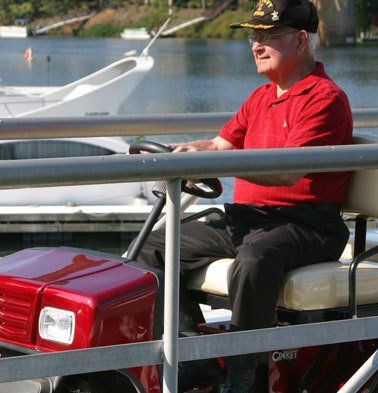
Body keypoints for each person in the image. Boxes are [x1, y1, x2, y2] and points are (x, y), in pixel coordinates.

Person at [136, 0, 353, 391]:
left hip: (307, 222)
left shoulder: (324, 99)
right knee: (152, 246)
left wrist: (217, 160)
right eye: (254, 36)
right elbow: (222, 145)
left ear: (301, 40)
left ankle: (243, 372)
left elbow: (287, 171)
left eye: (269, 36)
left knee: (254, 260)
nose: (256, 44)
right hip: (251, 217)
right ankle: (192, 354)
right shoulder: (261, 97)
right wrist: (188, 151)